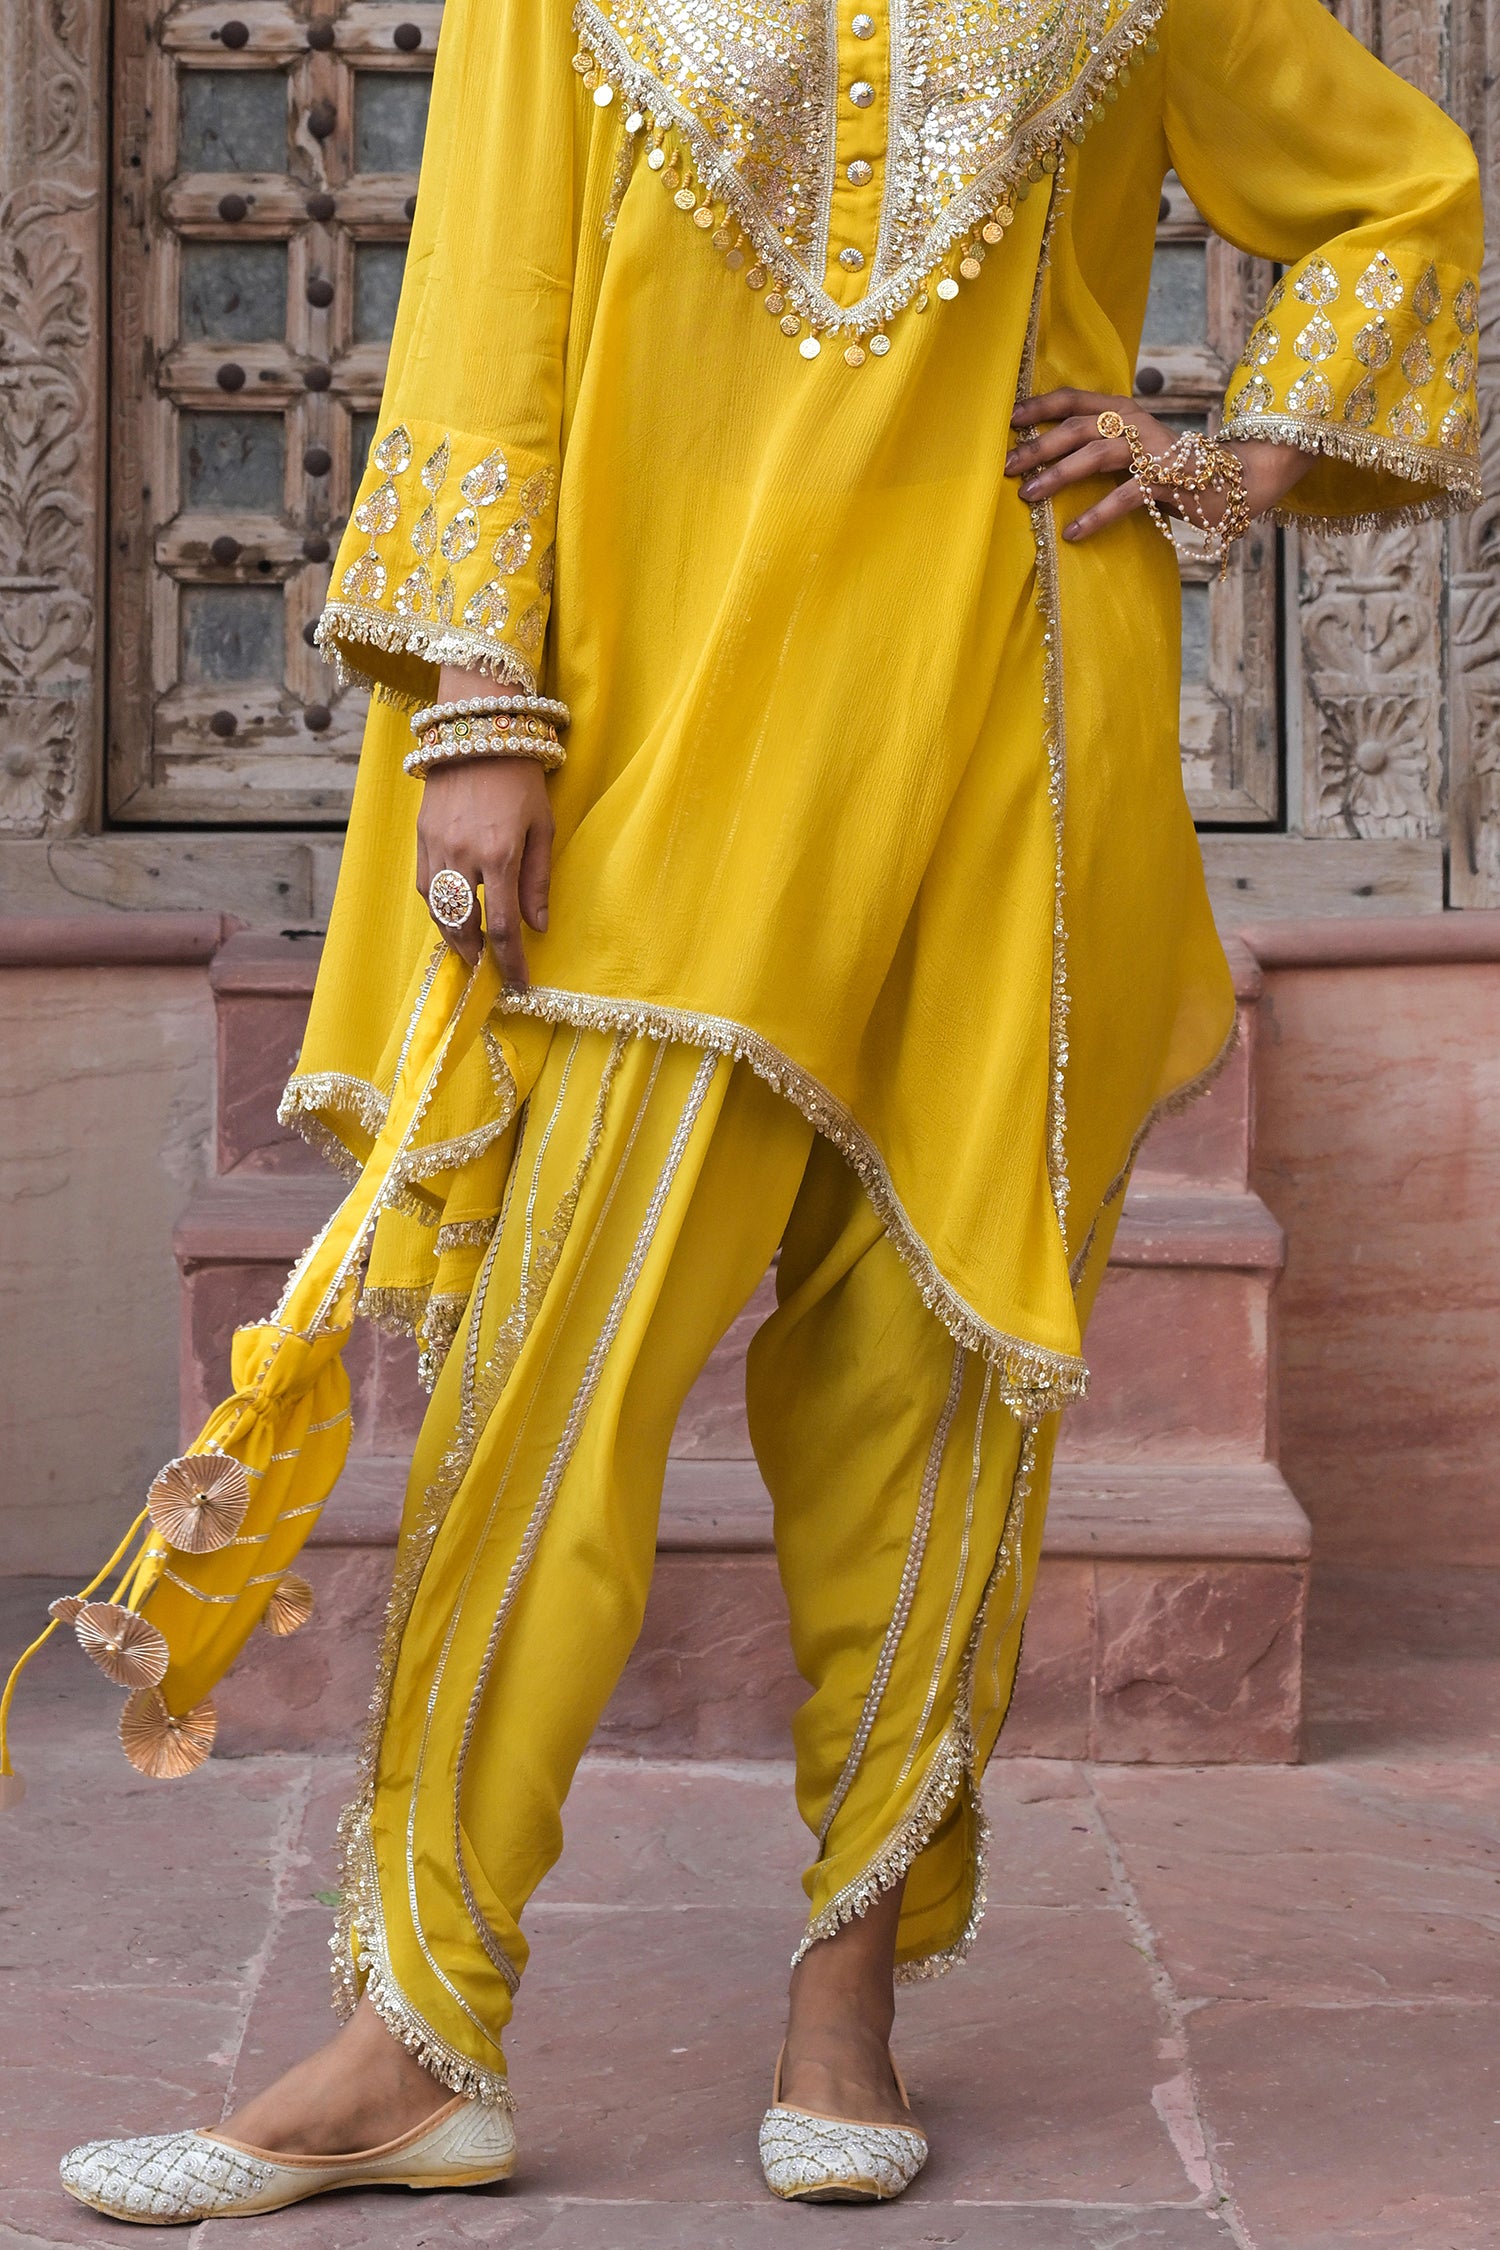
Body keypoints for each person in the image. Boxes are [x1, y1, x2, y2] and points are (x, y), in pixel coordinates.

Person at [60, 0, 1480, 2221]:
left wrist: (1223, 460)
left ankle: (851, 1990)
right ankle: (412, 2035)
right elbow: (490, 306)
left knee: (929, 1386)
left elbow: (1406, 191)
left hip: (1008, 719)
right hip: (660, 727)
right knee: (550, 1382)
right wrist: (482, 710)